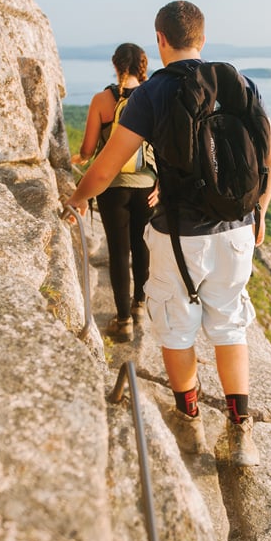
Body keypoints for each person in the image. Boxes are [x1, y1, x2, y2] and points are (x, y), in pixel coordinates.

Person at [64, 1, 271, 467]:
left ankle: (190, 420)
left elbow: (105, 166)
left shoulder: (152, 93)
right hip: (239, 230)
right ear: (202, 38)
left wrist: (77, 198)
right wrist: (259, 212)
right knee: (229, 325)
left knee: (176, 327)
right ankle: (241, 434)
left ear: (160, 39)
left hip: (180, 236)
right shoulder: (238, 82)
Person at [71, 43, 158, 342]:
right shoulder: (152, 98)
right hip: (147, 185)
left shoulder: (101, 100)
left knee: (119, 252)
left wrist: (76, 160)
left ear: (115, 64)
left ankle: (123, 322)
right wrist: (162, 185)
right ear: (142, 66)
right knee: (142, 246)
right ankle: (140, 304)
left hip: (111, 188)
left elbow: (87, 150)